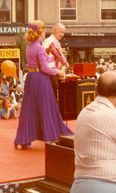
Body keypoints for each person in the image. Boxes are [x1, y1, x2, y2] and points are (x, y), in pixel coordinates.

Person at [14, 20, 73, 149]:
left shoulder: (31, 46)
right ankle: (50, 136)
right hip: (41, 80)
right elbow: (45, 68)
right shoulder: (39, 47)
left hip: (31, 79)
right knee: (47, 108)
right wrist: (58, 72)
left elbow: (38, 62)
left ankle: (24, 139)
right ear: (41, 32)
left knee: (29, 109)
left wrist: (46, 53)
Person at [42, 22, 69, 99]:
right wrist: (66, 64)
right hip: (50, 73)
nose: (63, 35)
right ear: (54, 30)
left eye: (63, 32)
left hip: (52, 73)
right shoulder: (50, 42)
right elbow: (60, 56)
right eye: (61, 32)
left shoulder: (52, 41)